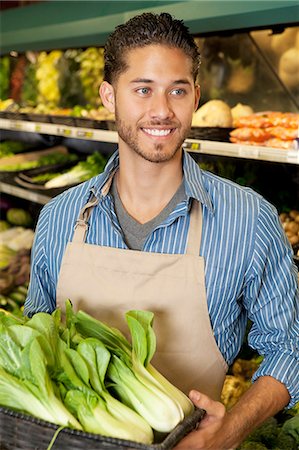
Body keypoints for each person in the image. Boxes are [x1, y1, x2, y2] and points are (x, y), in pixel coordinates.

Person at [24, 12, 298, 449]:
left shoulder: (250, 220)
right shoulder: (59, 218)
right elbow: (34, 337)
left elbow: (292, 347)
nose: (162, 110)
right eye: (143, 89)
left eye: (177, 90)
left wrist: (230, 429)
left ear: (196, 96)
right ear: (109, 97)